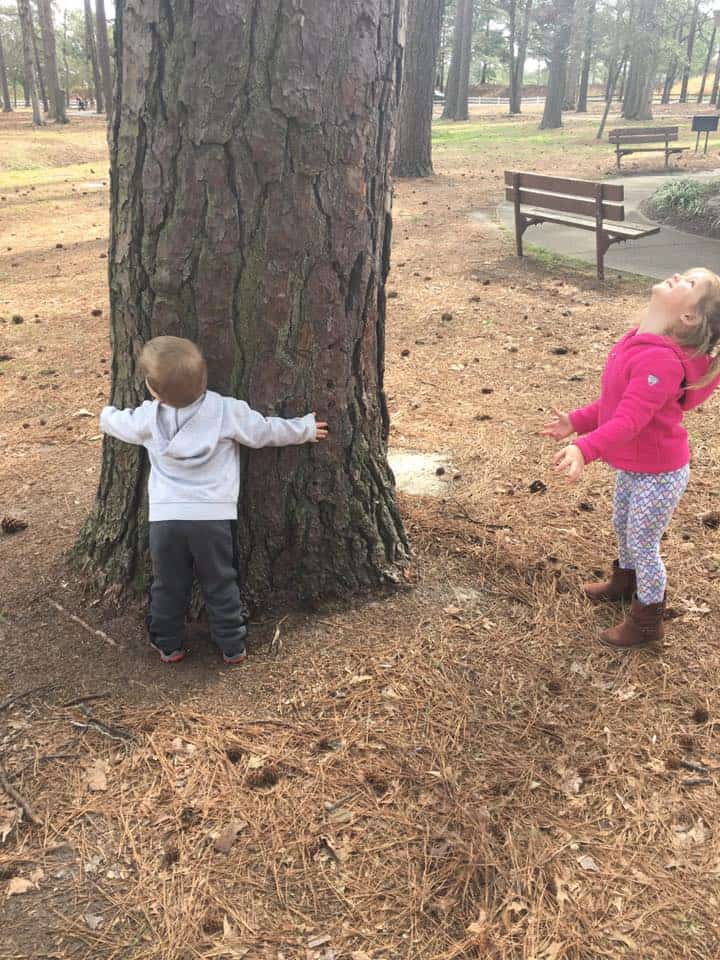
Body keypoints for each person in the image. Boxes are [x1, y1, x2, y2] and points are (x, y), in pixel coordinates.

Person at [100, 336, 328, 664]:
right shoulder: (226, 411)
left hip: (165, 521)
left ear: (152, 389)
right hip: (211, 518)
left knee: (168, 583)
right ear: (205, 376)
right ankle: (232, 645)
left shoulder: (146, 420)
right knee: (220, 580)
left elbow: (115, 422)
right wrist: (303, 429)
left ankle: (168, 644)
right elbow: (264, 432)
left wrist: (105, 414)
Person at [542, 269, 720, 648]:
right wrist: (575, 421)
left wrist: (585, 448)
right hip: (637, 467)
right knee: (622, 524)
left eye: (689, 283)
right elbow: (614, 403)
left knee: (643, 542)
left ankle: (647, 622)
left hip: (660, 473)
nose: (677, 276)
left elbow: (629, 420)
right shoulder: (639, 340)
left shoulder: (662, 362)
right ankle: (625, 583)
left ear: (688, 317)